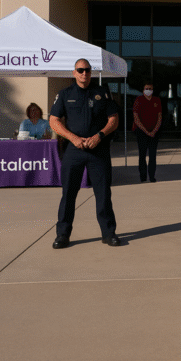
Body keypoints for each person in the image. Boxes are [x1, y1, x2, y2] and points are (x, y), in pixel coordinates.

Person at [49, 59, 121, 249]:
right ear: (74, 73)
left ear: (91, 72)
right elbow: (54, 120)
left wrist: (99, 136)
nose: (84, 73)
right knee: (68, 194)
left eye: (87, 70)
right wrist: (73, 138)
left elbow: (114, 119)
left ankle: (109, 233)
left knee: (103, 193)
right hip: (74, 150)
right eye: (80, 70)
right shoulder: (65, 94)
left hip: (98, 149)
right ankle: (62, 235)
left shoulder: (102, 93)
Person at [132, 82, 162, 182]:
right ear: (143, 90)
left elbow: (159, 117)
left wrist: (154, 131)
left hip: (154, 132)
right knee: (142, 155)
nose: (148, 90)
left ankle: (152, 176)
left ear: (153, 90)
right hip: (141, 132)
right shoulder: (138, 100)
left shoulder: (156, 100)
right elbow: (136, 118)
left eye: (150, 88)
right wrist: (146, 132)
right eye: (146, 88)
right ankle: (143, 176)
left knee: (153, 155)